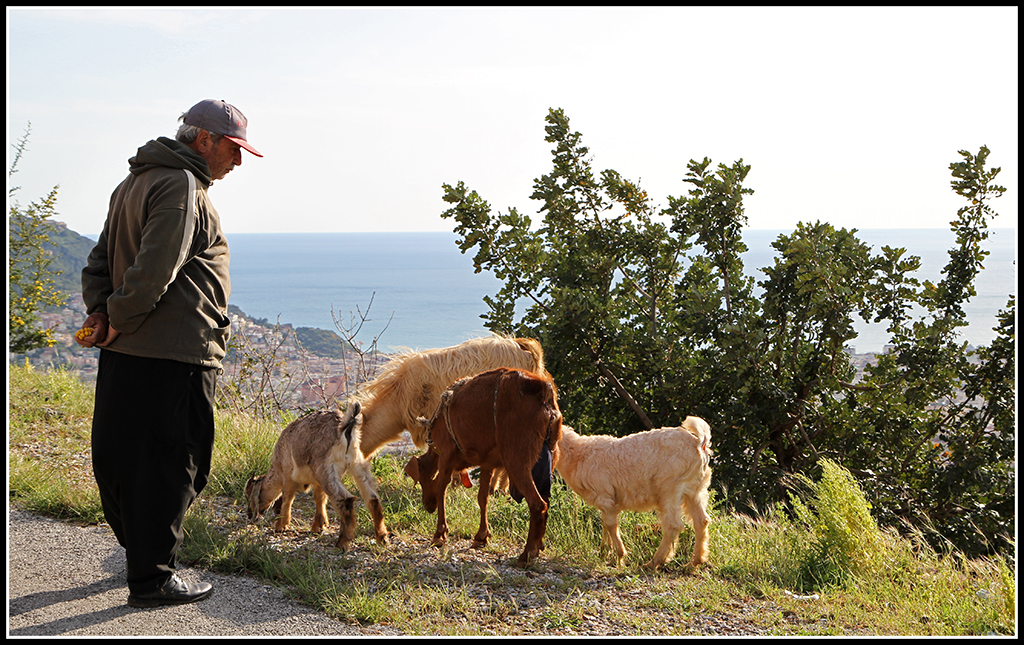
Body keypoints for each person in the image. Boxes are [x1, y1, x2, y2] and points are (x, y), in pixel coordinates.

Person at [75, 99, 262, 608]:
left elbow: (98, 262)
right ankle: (154, 576)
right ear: (204, 140)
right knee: (177, 460)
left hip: (128, 349)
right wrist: (115, 319)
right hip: (175, 352)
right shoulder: (181, 186)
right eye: (233, 148)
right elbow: (156, 271)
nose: (237, 161)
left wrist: (102, 315)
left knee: (121, 455)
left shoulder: (134, 182)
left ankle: (141, 554)